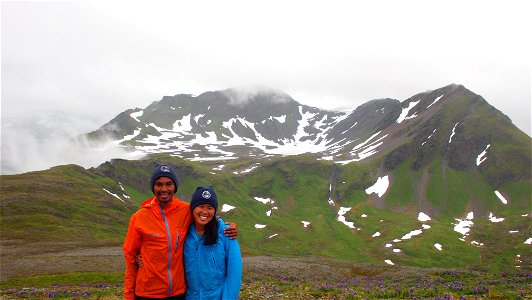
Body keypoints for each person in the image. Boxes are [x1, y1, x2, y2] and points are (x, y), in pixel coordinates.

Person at [123, 164, 238, 300]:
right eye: (159, 184)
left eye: (169, 184)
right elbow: (130, 258)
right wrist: (129, 295)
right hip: (148, 293)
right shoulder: (139, 217)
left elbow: (205, 215)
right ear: (153, 187)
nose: (164, 189)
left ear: (175, 187)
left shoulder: (185, 211)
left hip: (178, 293)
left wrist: (227, 225)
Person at [184, 186, 242, 299]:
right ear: (193, 208)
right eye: (200, 206)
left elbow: (234, 274)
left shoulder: (226, 232)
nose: (205, 212)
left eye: (210, 207)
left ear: (214, 210)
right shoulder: (184, 233)